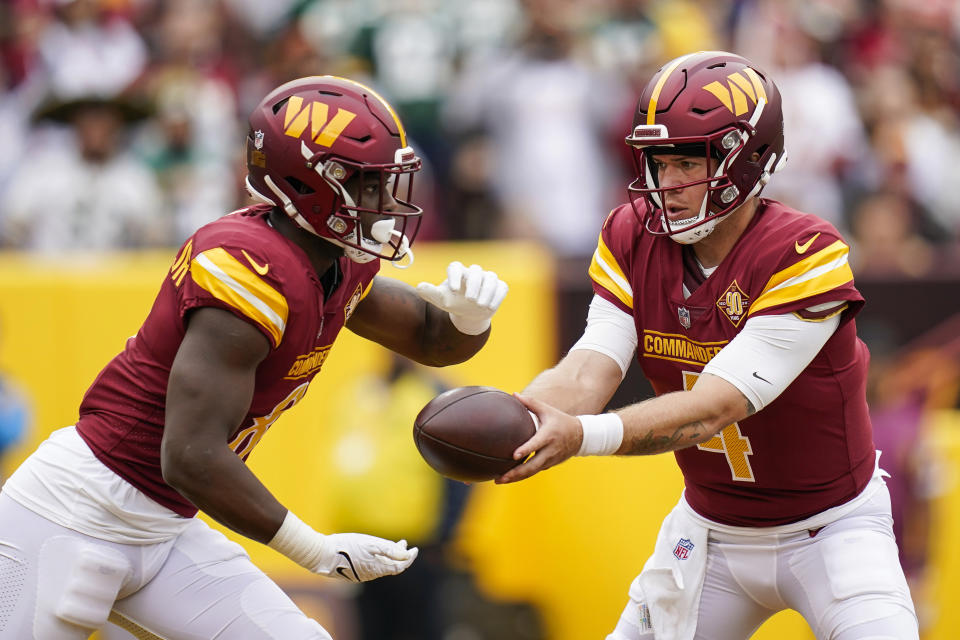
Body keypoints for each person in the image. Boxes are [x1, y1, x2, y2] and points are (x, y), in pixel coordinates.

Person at [0, 75, 508, 640]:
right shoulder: (250, 267)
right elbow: (190, 455)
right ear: (315, 181)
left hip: (166, 526)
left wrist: (470, 318)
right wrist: (312, 549)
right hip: (75, 511)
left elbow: (432, 342)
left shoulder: (336, 260)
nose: (385, 201)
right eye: (367, 183)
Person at [496, 51, 919, 640]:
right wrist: (514, 421)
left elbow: (717, 404)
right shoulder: (629, 234)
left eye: (686, 164)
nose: (665, 185)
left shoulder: (805, 252)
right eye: (659, 163)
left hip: (833, 528)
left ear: (745, 162)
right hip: (710, 531)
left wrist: (581, 439)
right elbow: (591, 367)